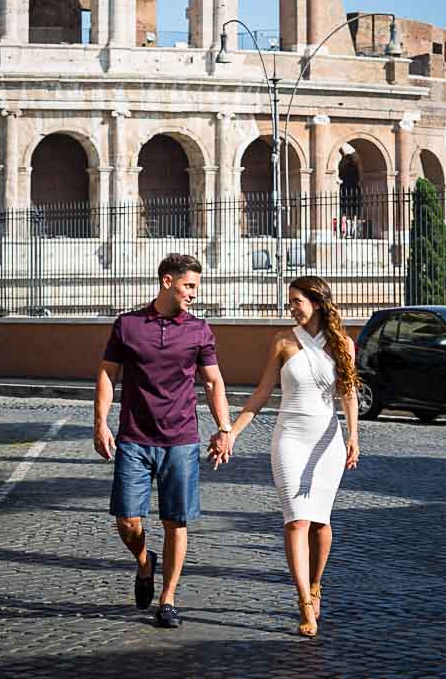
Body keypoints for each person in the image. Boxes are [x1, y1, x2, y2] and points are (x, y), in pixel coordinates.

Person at [208, 275, 359, 638]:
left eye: (297, 301)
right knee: (296, 522)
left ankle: (316, 583)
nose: (291, 307)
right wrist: (231, 432)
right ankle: (304, 602)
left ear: (318, 302)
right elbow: (262, 394)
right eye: (290, 301)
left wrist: (354, 435)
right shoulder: (282, 341)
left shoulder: (344, 345)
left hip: (327, 440)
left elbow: (348, 393)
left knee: (320, 525)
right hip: (290, 438)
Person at [93, 253, 232, 628]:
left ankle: (168, 599)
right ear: (167, 281)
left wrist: (224, 427)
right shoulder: (128, 325)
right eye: (189, 286)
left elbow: (213, 382)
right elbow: (108, 374)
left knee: (176, 522)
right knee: (126, 521)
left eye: (196, 288)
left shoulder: (200, 330)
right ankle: (144, 561)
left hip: (182, 440)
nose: (193, 294)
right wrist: (100, 422)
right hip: (134, 439)